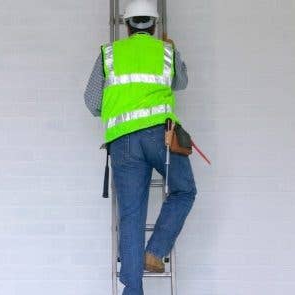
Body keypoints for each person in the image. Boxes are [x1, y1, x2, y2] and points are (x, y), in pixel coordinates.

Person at [83, 1, 197, 294]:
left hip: (123, 142)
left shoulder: (109, 53)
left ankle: (132, 291)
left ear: (127, 24)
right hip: (161, 136)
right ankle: (155, 250)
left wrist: (115, 109)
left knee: (131, 218)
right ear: (155, 25)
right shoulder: (166, 52)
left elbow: (91, 100)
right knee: (184, 190)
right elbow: (181, 83)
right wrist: (174, 51)